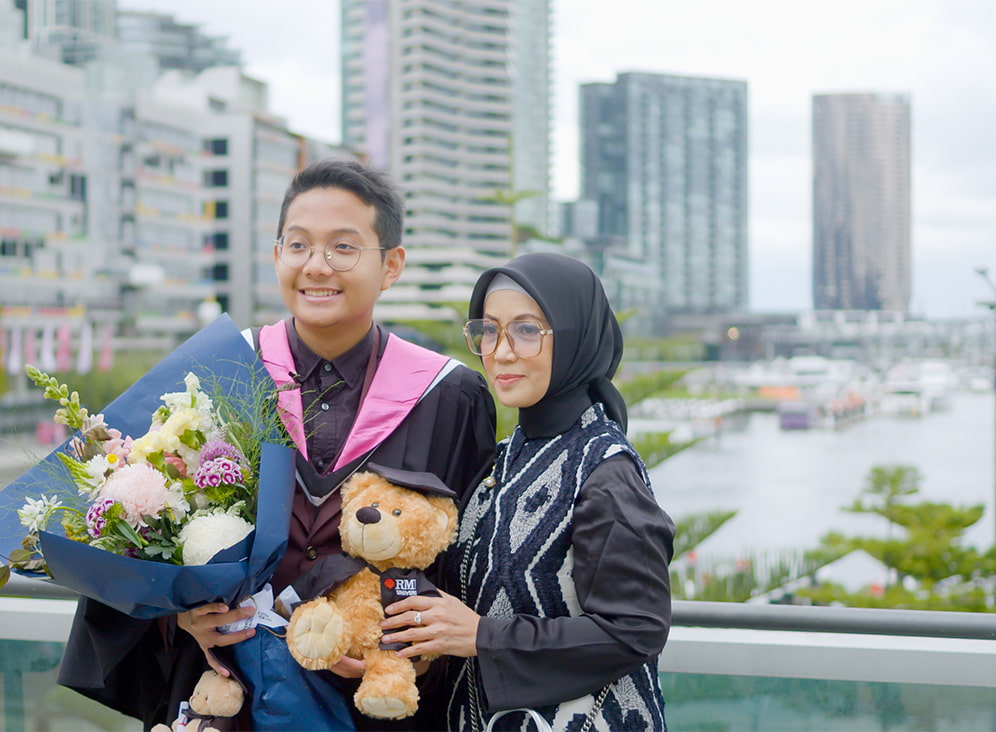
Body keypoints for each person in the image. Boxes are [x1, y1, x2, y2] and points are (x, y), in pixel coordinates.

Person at [56, 159, 497, 730]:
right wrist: (180, 618)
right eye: (299, 245)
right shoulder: (219, 374)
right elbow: (144, 542)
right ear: (276, 255)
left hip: (378, 705)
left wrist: (397, 645)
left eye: (343, 247)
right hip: (228, 695)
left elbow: (471, 572)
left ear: (391, 265)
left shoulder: (449, 396)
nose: (317, 266)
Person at [380, 252, 676, 731]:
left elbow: (637, 629)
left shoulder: (603, 471)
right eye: (489, 329)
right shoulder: (503, 458)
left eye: (526, 330)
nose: (500, 351)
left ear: (576, 337)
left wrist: (484, 636)